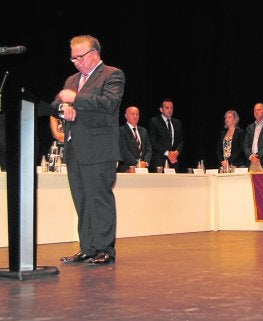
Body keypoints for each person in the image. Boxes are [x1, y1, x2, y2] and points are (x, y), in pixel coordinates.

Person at [55, 35, 125, 265]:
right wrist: (65, 108)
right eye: (72, 57)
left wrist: (76, 99)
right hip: (75, 148)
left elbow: (109, 103)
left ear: (94, 53)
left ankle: (105, 249)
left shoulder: (112, 74)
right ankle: (87, 247)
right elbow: (58, 103)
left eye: (80, 57)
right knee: (82, 200)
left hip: (99, 148)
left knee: (99, 198)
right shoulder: (72, 79)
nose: (76, 62)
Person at [149, 99, 184, 172]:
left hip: (174, 160)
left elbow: (181, 140)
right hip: (160, 160)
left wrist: (176, 152)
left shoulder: (177, 122)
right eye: (167, 108)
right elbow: (153, 141)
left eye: (171, 108)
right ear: (161, 109)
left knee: (173, 183)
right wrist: (168, 154)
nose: (170, 110)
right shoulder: (154, 121)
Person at [118, 106, 152, 172]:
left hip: (144, 168)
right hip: (128, 167)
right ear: (126, 116)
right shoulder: (121, 130)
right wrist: (137, 164)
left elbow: (149, 149)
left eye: (137, 114)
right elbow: (124, 151)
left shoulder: (143, 130)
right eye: (132, 114)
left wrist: (145, 162)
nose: (135, 116)